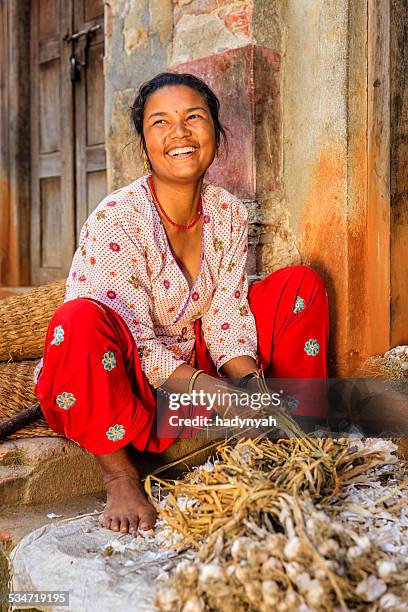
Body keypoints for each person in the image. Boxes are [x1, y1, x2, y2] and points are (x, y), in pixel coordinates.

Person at [34, 72, 328, 537]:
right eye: (161, 122)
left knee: (299, 284)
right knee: (78, 319)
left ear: (216, 129)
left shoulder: (228, 211)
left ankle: (293, 432)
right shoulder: (119, 217)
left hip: (195, 366)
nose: (180, 133)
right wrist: (213, 395)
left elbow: (225, 314)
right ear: (144, 142)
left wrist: (249, 388)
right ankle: (120, 474)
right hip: (126, 379)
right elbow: (134, 339)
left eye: (194, 117)